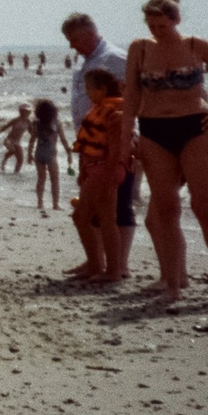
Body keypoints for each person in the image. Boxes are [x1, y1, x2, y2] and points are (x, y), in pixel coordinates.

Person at [124, 0, 208, 308]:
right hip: (153, 131)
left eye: (162, 26)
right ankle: (173, 284)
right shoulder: (140, 48)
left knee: (205, 208)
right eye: (151, 26)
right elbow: (131, 97)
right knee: (166, 210)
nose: (157, 31)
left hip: (196, 129)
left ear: (175, 20)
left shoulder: (195, 45)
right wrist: (126, 140)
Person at [61, 13, 137, 277]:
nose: (71, 45)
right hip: (92, 146)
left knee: (119, 206)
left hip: (114, 144)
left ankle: (119, 264)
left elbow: (135, 96)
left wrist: (124, 148)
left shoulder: (114, 58)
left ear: (89, 34)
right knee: (96, 209)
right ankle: (97, 261)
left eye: (73, 39)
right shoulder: (87, 61)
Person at [69, 69, 130, 283]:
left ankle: (107, 269)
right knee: (103, 220)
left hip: (105, 170)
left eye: (89, 88)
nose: (87, 93)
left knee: (84, 217)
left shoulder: (115, 113)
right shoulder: (99, 108)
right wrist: (83, 170)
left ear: (102, 89)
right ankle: (102, 267)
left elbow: (116, 149)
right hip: (95, 169)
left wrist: (108, 178)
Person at [29, 99, 68, 211]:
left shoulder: (37, 123)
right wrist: (68, 152)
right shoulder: (56, 123)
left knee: (41, 178)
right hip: (51, 154)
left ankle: (40, 203)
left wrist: (29, 154)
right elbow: (63, 139)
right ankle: (55, 204)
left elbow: (32, 140)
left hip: (39, 153)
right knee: (54, 180)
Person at [0, 104, 32, 173]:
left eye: (28, 111)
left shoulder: (28, 122)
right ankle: (4, 162)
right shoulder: (16, 120)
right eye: (25, 111)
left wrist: (37, 138)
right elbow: (6, 126)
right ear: (21, 111)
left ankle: (16, 173)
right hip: (9, 139)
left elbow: (31, 132)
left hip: (17, 141)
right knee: (12, 150)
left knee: (20, 159)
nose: (27, 113)